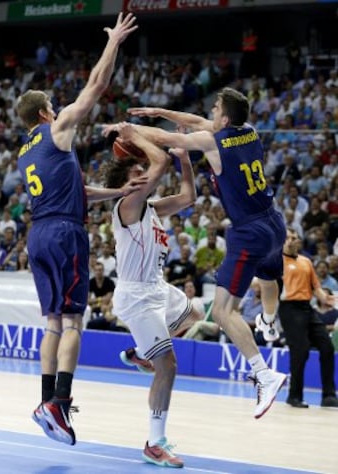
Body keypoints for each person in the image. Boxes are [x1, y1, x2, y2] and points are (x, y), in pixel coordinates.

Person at [107, 87, 288, 419]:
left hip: (248, 230)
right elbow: (194, 121)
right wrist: (159, 110)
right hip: (274, 222)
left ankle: (264, 374)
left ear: (223, 117)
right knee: (269, 275)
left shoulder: (212, 142)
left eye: (215, 106)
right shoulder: (248, 132)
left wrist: (129, 130)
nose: (211, 111)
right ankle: (270, 320)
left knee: (221, 313)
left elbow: (164, 141)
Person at [15, 12, 140, 446]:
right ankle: (60, 402)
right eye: (52, 103)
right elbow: (96, 86)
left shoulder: (24, 154)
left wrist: (116, 191)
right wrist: (114, 42)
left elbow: (75, 190)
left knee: (52, 322)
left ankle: (47, 401)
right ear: (46, 110)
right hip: (66, 233)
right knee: (73, 322)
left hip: (39, 234)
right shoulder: (57, 129)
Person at [103, 123, 202, 468]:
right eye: (136, 170)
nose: (143, 173)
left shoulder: (153, 210)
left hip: (159, 288)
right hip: (137, 295)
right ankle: (154, 442)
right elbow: (159, 161)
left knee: (194, 315)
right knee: (168, 366)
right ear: (126, 182)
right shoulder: (126, 207)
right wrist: (135, 135)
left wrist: (185, 158)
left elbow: (189, 197)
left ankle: (142, 354)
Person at [279, 228, 338, 408]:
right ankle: (294, 395)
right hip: (289, 308)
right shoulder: (276, 261)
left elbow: (316, 287)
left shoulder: (306, 261)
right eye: (287, 238)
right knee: (301, 350)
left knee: (327, 347)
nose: (291, 240)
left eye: (294, 238)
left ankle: (329, 395)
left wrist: (326, 299)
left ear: (298, 241)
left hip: (307, 307)